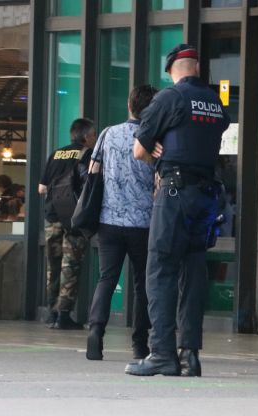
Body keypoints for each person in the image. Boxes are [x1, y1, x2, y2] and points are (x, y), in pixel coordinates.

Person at [124, 44, 230, 377]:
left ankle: (162, 353)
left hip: (174, 192)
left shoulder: (169, 98)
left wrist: (160, 152)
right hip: (207, 195)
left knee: (161, 269)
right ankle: (190, 355)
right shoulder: (215, 102)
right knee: (193, 271)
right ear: (196, 67)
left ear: (172, 68)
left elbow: (139, 149)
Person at [86, 85, 159, 361]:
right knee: (143, 284)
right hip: (143, 222)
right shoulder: (153, 137)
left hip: (109, 221)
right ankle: (140, 343)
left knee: (107, 278)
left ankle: (96, 331)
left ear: (129, 105)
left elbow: (94, 171)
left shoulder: (107, 133)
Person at [38, 118, 96, 330]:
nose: (95, 138)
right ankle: (64, 314)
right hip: (73, 219)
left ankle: (51, 312)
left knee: (52, 265)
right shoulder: (86, 154)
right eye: (93, 135)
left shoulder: (56, 154)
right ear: (86, 137)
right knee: (70, 266)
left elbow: (41, 189)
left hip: (52, 217)